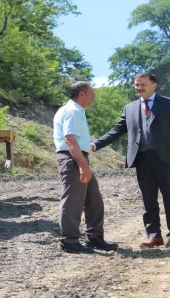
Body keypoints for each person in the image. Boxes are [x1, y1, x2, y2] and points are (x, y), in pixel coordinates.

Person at [91, 72, 170, 248]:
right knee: (148, 199)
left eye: (142, 85)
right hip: (141, 158)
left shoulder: (169, 104)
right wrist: (96, 144)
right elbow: (116, 131)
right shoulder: (130, 108)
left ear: (154, 85)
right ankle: (154, 235)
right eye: (136, 85)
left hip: (165, 158)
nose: (139, 88)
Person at [53, 81, 119, 254]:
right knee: (73, 200)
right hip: (72, 158)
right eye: (91, 92)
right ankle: (69, 241)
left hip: (77, 157)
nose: (94, 96)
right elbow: (70, 140)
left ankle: (95, 238)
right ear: (81, 94)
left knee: (93, 199)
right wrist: (83, 166)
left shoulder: (75, 110)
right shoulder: (73, 111)